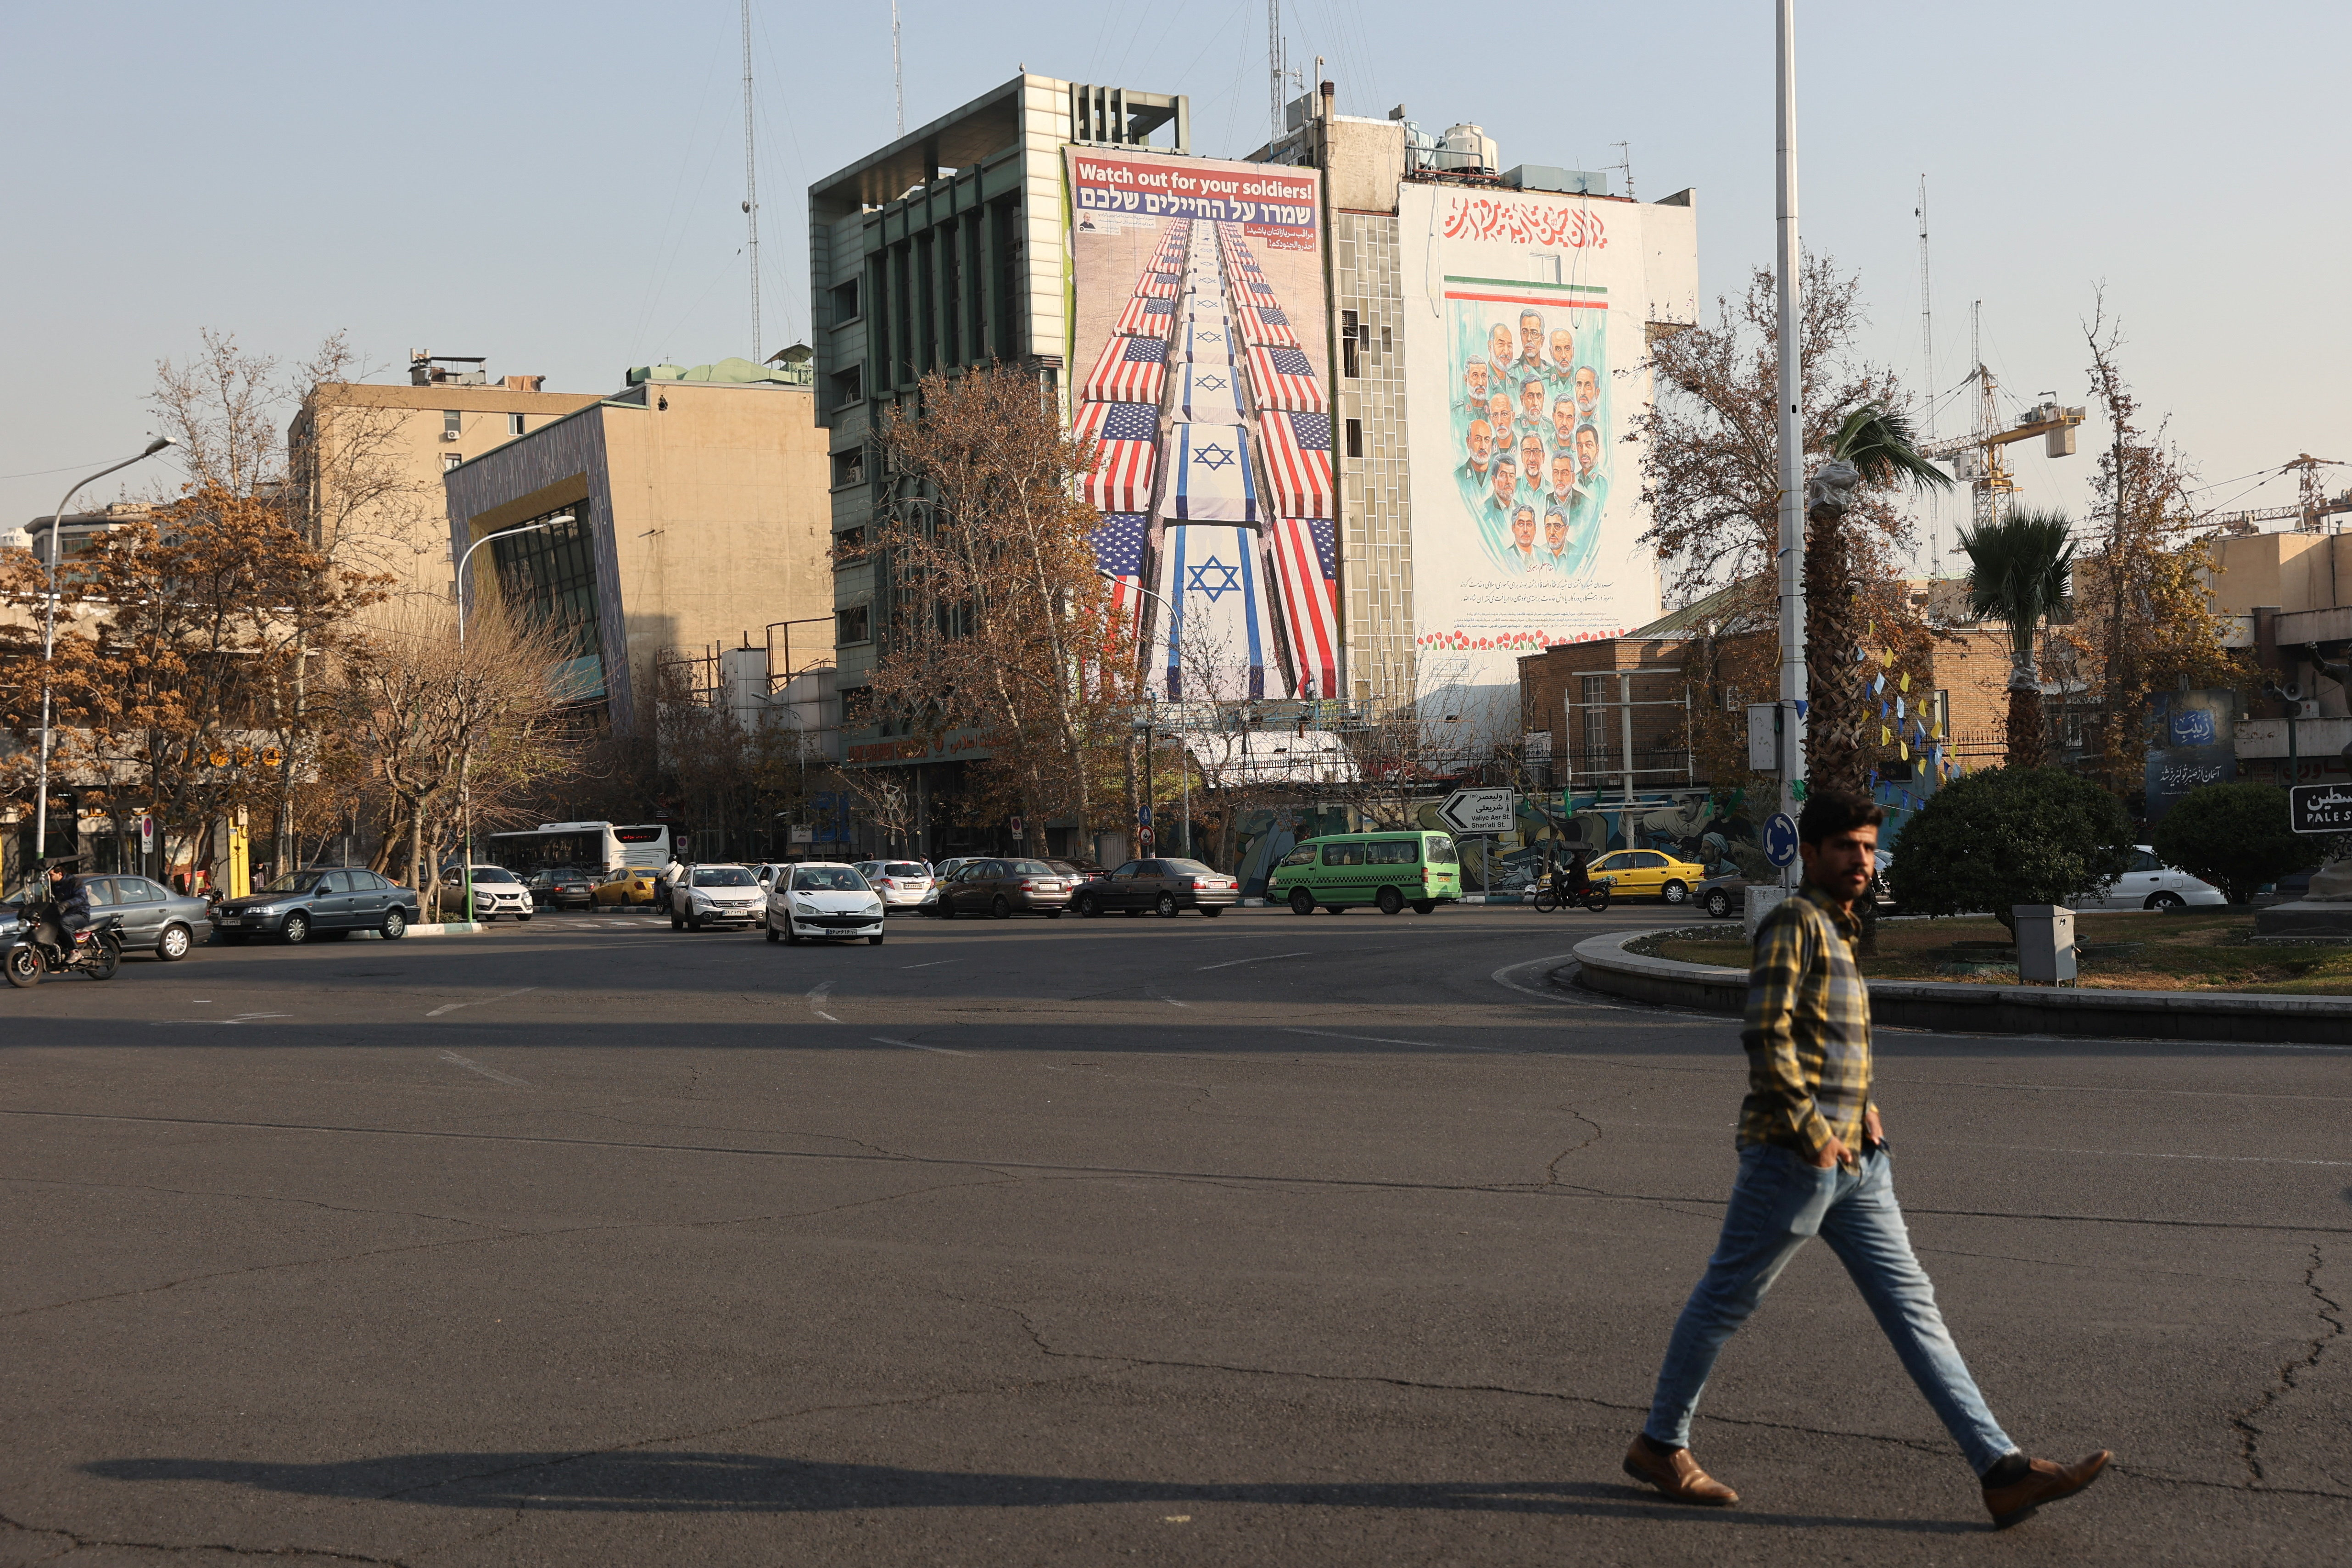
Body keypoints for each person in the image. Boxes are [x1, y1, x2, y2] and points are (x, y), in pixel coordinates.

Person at [1623, 788, 2110, 1529]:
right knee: (1727, 1299)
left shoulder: (1838, 928)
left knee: (1916, 1311)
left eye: (1868, 845)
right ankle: (1661, 1443)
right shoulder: (1794, 922)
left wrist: (1863, 1107)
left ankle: (2001, 1470)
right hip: (1792, 1157)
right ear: (1811, 854)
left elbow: (1830, 1041)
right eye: (1845, 846)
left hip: (1856, 1159)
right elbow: (1767, 1034)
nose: (1860, 859)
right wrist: (1814, 1128)